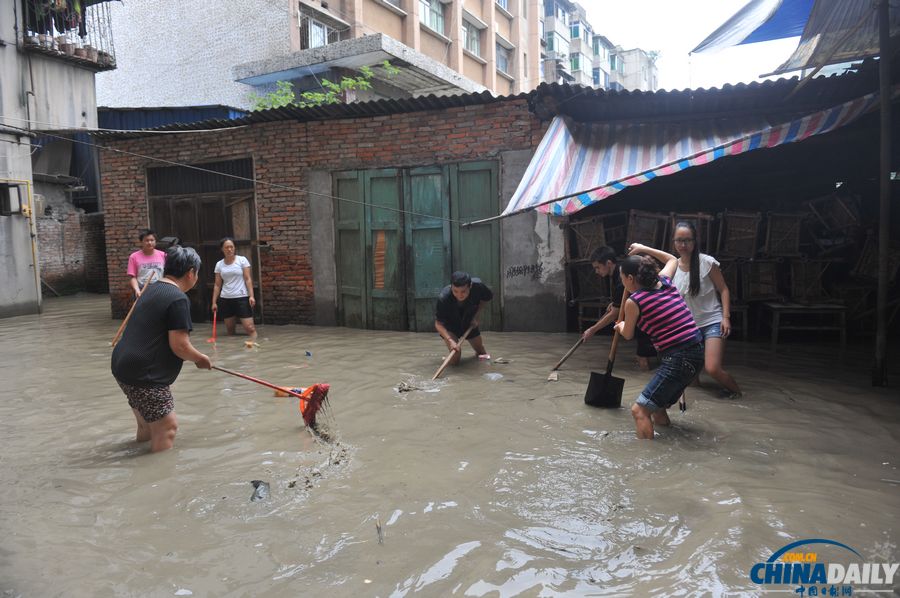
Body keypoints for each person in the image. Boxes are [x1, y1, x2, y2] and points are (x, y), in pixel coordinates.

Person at [112, 245, 212, 453]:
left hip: (122, 365)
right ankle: (155, 471)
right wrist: (200, 359)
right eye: (197, 273)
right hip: (143, 373)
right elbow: (180, 346)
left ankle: (138, 460)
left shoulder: (151, 289)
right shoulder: (178, 299)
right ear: (191, 272)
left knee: (147, 426)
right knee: (167, 427)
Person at [629, 221, 742, 398]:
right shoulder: (672, 269)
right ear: (674, 242)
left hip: (712, 321)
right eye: (679, 240)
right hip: (689, 329)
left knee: (712, 368)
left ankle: (737, 393)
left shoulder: (707, 262)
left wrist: (725, 317)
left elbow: (724, 289)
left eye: (688, 240)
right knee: (691, 380)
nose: (683, 245)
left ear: (695, 241)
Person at [615, 255, 704, 440]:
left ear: (630, 278)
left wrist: (620, 326)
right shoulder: (664, 282)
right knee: (657, 406)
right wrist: (643, 249)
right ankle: (666, 442)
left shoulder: (634, 301)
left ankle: (646, 454)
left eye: (622, 278)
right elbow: (672, 259)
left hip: (678, 357)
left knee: (639, 410)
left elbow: (628, 334)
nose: (622, 282)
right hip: (697, 351)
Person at [581, 246, 657, 370]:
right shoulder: (619, 272)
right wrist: (615, 303)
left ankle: (646, 374)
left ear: (608, 263)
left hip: (647, 316)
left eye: (597, 267)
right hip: (645, 313)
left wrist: (592, 330)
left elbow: (614, 314)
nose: (596, 271)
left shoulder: (622, 279)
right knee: (643, 355)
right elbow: (621, 300)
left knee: (642, 357)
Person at [434, 271, 493, 366]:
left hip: (468, 322)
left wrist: (476, 316)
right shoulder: (444, 298)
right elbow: (438, 324)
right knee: (456, 357)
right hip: (450, 326)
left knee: (482, 353)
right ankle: (449, 359)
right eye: (455, 291)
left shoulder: (478, 287)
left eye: (463, 291)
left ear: (470, 286)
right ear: (451, 287)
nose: (459, 295)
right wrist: (450, 340)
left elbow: (485, 299)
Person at [211, 237, 257, 339]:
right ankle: (233, 348)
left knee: (250, 328)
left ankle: (254, 345)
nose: (229, 249)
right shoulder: (219, 264)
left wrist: (251, 296)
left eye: (231, 247)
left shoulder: (242, 260)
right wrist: (214, 302)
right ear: (222, 249)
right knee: (230, 330)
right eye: (226, 247)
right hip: (225, 299)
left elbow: (248, 279)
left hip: (242, 298)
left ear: (234, 248)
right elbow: (217, 285)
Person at [127, 228, 165, 297]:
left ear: (155, 241)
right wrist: (137, 290)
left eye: (152, 240)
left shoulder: (163, 255)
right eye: (147, 240)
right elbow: (132, 277)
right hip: (142, 291)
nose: (150, 243)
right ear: (141, 242)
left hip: (159, 290)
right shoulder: (134, 257)